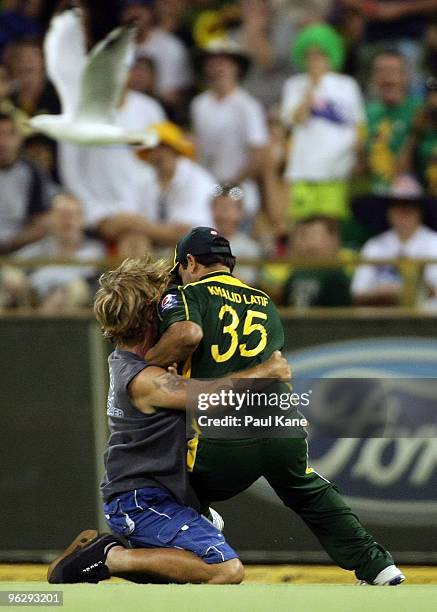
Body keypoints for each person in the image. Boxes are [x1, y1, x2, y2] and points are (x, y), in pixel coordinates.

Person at [144, 226, 405, 586]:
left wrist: (148, 362)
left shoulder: (187, 295)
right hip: (281, 425)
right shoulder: (263, 300)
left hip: (221, 438)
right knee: (308, 490)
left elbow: (186, 334)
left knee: (148, 482)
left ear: (190, 262)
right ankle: (379, 567)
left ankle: (199, 515)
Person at [47, 255, 291, 584]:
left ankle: (104, 556)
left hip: (152, 496)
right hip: (141, 501)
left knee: (199, 545)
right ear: (152, 315)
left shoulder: (135, 362)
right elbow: (209, 398)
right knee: (224, 569)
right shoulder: (144, 378)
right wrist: (266, 371)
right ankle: (110, 557)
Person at [280, 23, 366, 222]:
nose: (314, 60)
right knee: (300, 224)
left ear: (331, 55)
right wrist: (310, 90)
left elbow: (359, 125)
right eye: (309, 55)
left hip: (337, 169)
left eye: (320, 54)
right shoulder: (294, 85)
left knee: (331, 223)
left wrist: (357, 156)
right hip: (303, 170)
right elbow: (293, 121)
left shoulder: (347, 85)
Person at [190, 38, 269, 218]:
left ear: (236, 68)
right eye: (213, 62)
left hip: (241, 191)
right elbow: (197, 147)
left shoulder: (248, 106)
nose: (219, 68)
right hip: (207, 190)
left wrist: (231, 186)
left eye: (225, 62)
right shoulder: (199, 104)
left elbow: (259, 153)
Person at [10, 192, 105, 313]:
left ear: (82, 219)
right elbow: (12, 263)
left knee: (75, 288)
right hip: (33, 301)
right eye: (62, 215)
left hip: (72, 305)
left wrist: (35, 283)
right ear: (51, 218)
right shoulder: (42, 247)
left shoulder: (94, 251)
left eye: (73, 214)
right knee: (11, 277)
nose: (68, 220)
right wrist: (18, 282)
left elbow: (73, 274)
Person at [352, 175, 437, 307]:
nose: (403, 212)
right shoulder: (374, 245)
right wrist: (380, 294)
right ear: (388, 212)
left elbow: (435, 291)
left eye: (409, 206)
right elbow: (358, 293)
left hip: (427, 323)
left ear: (420, 211)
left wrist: (406, 290)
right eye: (396, 205)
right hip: (379, 322)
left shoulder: (434, 243)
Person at [135, 121, 216, 233]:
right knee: (133, 239)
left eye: (162, 146)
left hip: (196, 246)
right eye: (150, 149)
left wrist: (138, 226)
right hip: (157, 243)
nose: (156, 154)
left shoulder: (197, 179)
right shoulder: (144, 179)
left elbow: (187, 232)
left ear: (176, 150)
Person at [365, 49, 422, 195]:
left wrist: (415, 133)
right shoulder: (365, 115)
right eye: (381, 72)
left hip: (416, 198)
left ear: (405, 77)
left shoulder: (420, 111)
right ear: (373, 78)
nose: (386, 77)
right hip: (376, 196)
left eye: (393, 71)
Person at [120, 0, 192, 112]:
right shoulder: (115, 47)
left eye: (140, 9)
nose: (135, 14)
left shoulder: (170, 45)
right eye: (129, 9)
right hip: (122, 108)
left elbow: (175, 96)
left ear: (150, 13)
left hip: (162, 108)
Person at [0, 111, 49, 254]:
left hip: (20, 247)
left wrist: (9, 244)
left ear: (19, 139)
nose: (3, 142)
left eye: (9, 134)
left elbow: (40, 223)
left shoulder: (34, 172)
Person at [282, 216, 351, 307]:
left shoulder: (336, 278)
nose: (308, 244)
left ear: (333, 240)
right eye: (303, 236)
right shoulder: (294, 275)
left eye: (313, 236)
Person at [211, 183, 261, 285]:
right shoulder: (200, 242)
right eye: (218, 206)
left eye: (228, 207)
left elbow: (246, 283)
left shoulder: (249, 247)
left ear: (241, 211)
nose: (223, 214)